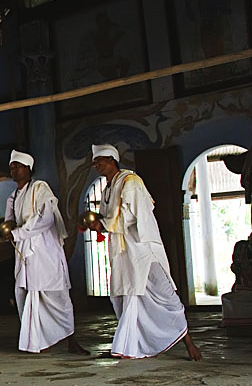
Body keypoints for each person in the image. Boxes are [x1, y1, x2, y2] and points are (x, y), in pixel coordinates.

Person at [86, 144, 201, 360]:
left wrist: (105, 225)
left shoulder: (131, 182)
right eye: (94, 162)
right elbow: (106, 218)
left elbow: (131, 214)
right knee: (124, 297)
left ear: (112, 159)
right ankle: (129, 345)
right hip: (122, 252)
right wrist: (95, 223)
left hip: (142, 250)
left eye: (99, 160)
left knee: (166, 297)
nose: (96, 165)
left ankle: (188, 341)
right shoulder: (108, 189)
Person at [4, 150, 87, 355]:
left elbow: (46, 218)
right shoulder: (13, 197)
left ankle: (71, 340)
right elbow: (9, 221)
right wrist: (5, 230)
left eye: (18, 166)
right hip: (25, 254)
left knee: (57, 295)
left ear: (28, 169)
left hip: (45, 251)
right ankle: (37, 341)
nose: (14, 170)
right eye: (12, 166)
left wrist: (19, 233)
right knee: (26, 294)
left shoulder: (40, 188)